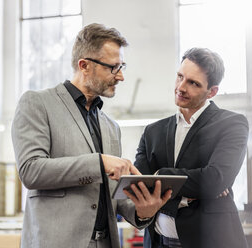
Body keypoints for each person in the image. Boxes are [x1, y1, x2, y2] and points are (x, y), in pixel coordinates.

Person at [11, 23, 171, 248]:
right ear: (84, 65)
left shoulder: (110, 126)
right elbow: (31, 171)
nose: (121, 76)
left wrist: (143, 211)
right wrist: (100, 162)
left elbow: (114, 194)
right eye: (113, 67)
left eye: (122, 66)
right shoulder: (37, 103)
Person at [133, 48, 249, 248]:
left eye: (193, 83)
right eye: (180, 77)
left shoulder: (232, 124)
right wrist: (193, 191)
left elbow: (216, 179)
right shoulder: (152, 131)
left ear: (211, 91)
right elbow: (140, 185)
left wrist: (161, 175)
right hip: (159, 242)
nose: (181, 87)